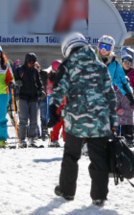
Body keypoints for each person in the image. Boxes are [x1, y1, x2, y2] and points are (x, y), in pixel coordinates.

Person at [49, 33, 117, 207]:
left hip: (76, 121)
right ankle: (99, 196)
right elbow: (110, 96)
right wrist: (113, 121)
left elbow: (59, 90)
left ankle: (67, 191)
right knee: (99, 158)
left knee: (71, 156)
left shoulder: (68, 66)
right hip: (100, 121)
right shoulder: (101, 66)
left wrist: (53, 109)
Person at [15, 53, 43, 147]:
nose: (32, 64)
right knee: (23, 119)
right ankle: (22, 139)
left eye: (33, 62)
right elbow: (14, 79)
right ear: (26, 61)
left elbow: (39, 82)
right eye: (30, 62)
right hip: (23, 96)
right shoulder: (19, 70)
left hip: (33, 97)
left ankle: (32, 138)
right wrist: (17, 82)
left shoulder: (35, 71)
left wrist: (41, 90)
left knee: (34, 119)